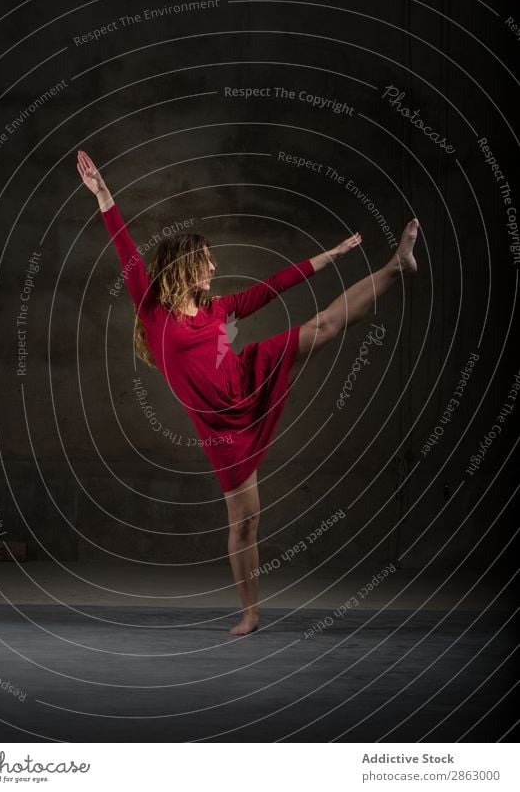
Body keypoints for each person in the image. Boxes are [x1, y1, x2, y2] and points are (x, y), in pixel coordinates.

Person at [77, 150, 419, 635]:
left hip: (248, 379)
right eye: (207, 261)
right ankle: (251, 613)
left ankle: (395, 267)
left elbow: (274, 286)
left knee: (322, 325)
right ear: (186, 267)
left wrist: (333, 256)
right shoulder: (153, 311)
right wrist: (105, 195)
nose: (214, 268)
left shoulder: (220, 309)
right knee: (244, 523)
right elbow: (126, 250)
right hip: (220, 430)